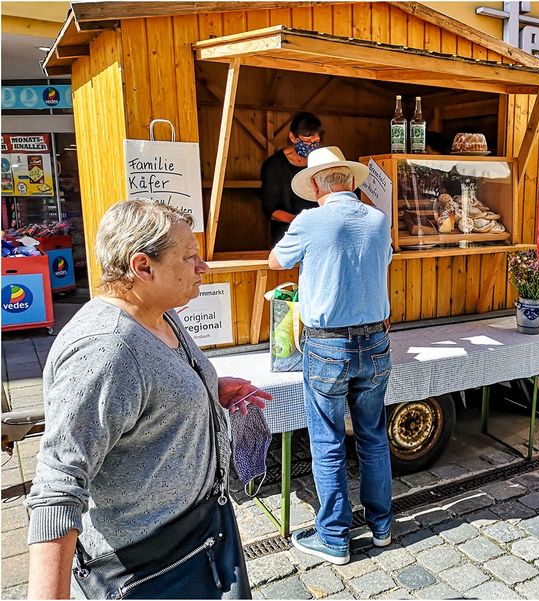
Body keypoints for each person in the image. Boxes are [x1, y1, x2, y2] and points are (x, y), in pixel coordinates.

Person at [26, 200, 271, 599]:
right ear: (143, 267)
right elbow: (57, 485)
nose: (203, 266)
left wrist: (206, 391)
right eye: (190, 257)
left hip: (201, 535)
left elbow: (151, 391)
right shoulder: (106, 349)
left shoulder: (159, 311)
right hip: (150, 568)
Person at [268, 146, 393, 565]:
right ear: (351, 181)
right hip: (376, 340)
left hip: (328, 343)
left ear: (318, 183)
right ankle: (381, 527)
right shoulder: (378, 220)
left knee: (327, 442)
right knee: (374, 436)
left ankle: (335, 537)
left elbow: (274, 261)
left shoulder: (310, 220)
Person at [260, 111, 323, 245]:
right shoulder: (274, 166)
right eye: (307, 142)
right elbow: (271, 210)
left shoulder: (320, 161)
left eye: (316, 142)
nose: (311, 147)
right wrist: (301, 222)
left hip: (320, 229)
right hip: (288, 232)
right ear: (293, 137)